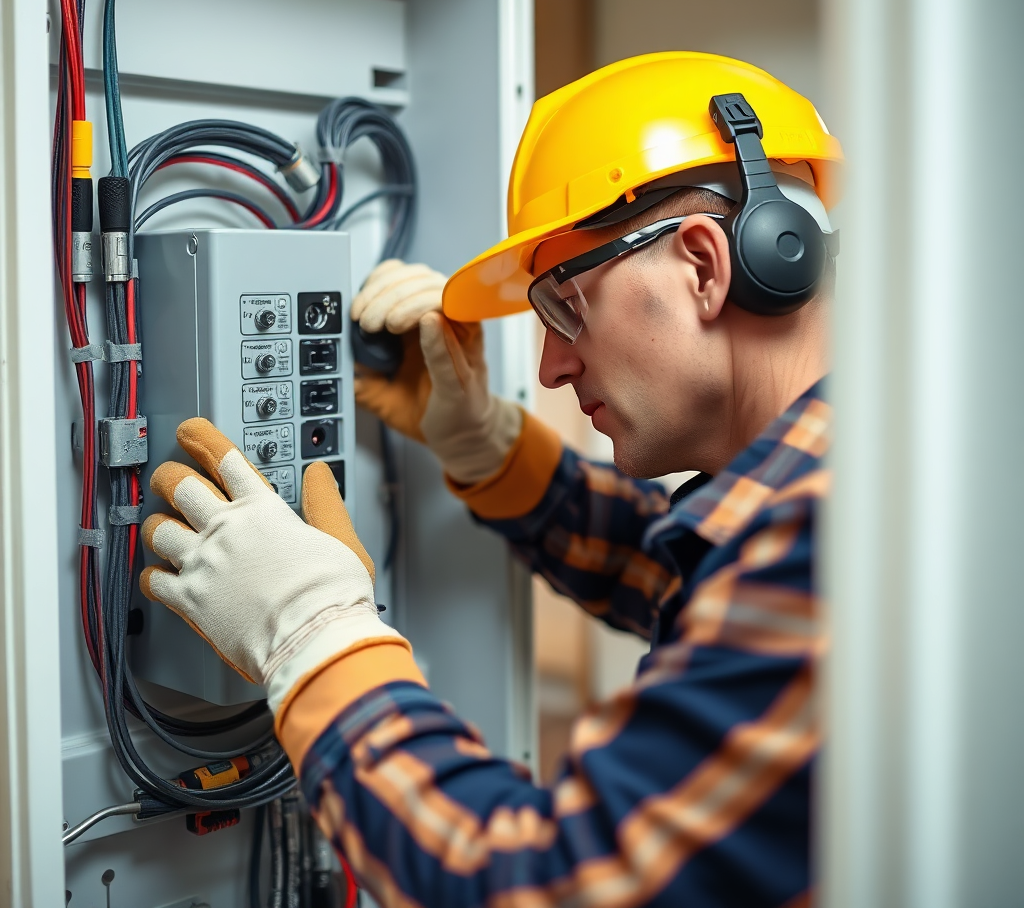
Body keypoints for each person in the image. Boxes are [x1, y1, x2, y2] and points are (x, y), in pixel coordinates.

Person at [141, 52, 842, 907]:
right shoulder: (855, 485)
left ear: (701, 265)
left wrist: (310, 634)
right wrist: (488, 451)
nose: (549, 367)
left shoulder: (822, 550)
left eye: (565, 306)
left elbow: (536, 885)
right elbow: (678, 573)